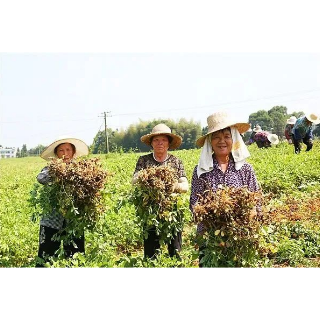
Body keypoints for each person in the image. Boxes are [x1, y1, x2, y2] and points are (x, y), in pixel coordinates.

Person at [189, 111, 261, 268]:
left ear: (233, 139)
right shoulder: (201, 171)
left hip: (239, 237)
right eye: (216, 137)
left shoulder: (245, 169)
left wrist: (250, 214)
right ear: (210, 142)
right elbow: (194, 204)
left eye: (227, 136)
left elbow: (257, 201)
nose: (222, 141)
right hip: (210, 239)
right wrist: (211, 215)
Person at [132, 123, 189, 259]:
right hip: (150, 212)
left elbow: (185, 185)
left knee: (175, 251)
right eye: (156, 140)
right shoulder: (143, 160)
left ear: (169, 143)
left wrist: (172, 186)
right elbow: (133, 181)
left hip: (172, 211)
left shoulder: (176, 161)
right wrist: (148, 176)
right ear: (151, 143)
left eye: (163, 140)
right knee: (151, 253)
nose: (160, 143)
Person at [35, 136, 89, 268]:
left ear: (73, 152)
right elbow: (41, 178)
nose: (65, 153)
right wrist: (60, 172)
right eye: (61, 150)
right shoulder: (49, 168)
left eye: (68, 149)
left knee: (75, 255)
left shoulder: (82, 169)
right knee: (46, 255)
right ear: (56, 154)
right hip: (51, 220)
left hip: (74, 220)